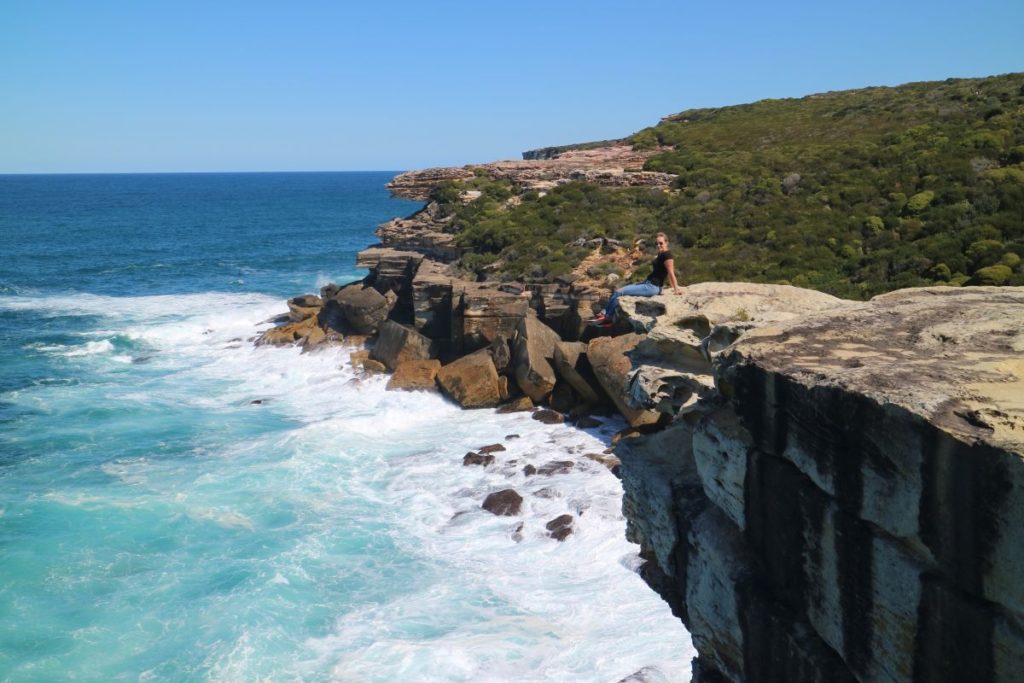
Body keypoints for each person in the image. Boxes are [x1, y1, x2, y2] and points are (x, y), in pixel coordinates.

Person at [591, 232, 681, 326]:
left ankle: (608, 317)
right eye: (657, 243)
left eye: (661, 243)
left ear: (667, 242)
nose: (658, 245)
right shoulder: (661, 253)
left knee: (619, 292)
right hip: (647, 283)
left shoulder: (667, 255)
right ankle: (604, 313)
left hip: (652, 287)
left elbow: (670, 273)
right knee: (618, 291)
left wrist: (676, 289)